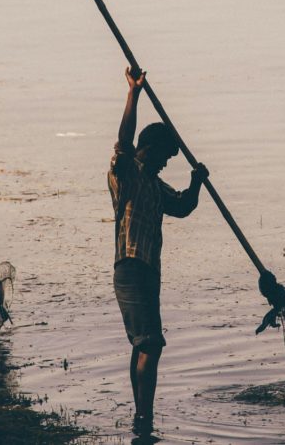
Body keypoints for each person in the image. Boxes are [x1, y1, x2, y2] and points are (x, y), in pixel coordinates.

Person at [108, 67, 207, 437]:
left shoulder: (153, 184)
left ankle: (140, 417)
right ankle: (144, 420)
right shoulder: (129, 172)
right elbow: (123, 140)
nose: (166, 163)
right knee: (151, 343)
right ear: (149, 150)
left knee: (143, 343)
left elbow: (182, 206)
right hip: (130, 268)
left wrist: (196, 184)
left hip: (149, 271)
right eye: (165, 156)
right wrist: (133, 93)